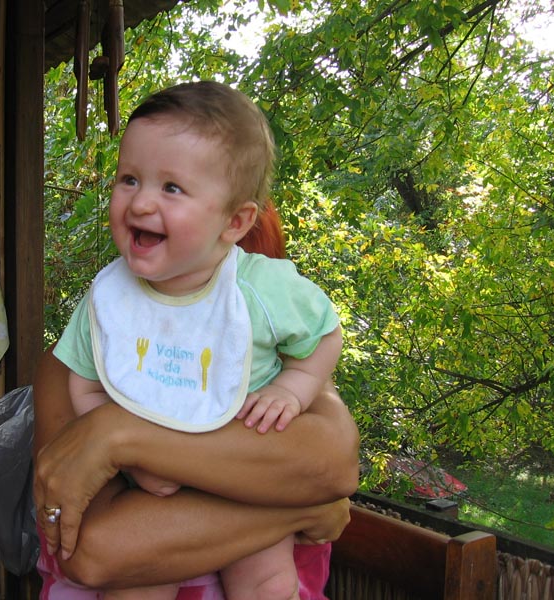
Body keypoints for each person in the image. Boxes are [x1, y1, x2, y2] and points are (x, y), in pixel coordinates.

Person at [44, 81, 344, 600]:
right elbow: (86, 385)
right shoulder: (110, 298)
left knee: (267, 584)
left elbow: (326, 334)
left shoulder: (260, 289)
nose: (141, 202)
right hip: (152, 502)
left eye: (172, 188)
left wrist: (293, 388)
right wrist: (135, 461)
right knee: (132, 589)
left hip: (245, 477)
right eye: (129, 179)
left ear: (236, 221)